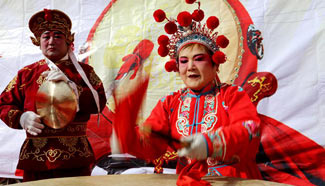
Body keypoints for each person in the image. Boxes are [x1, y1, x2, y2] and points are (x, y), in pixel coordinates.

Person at [112, 0, 262, 183]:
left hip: (234, 180)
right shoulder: (170, 103)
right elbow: (153, 144)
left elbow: (249, 129)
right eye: (183, 61)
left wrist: (211, 143)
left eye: (198, 59)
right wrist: (127, 137)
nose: (190, 67)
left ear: (215, 65)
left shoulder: (231, 95)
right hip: (189, 180)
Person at [0, 9, 107, 181]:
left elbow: (99, 103)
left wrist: (73, 88)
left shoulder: (84, 72)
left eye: (57, 36)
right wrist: (21, 118)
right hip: (36, 157)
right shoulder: (26, 74)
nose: (51, 41)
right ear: (38, 41)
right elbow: (3, 104)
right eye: (46, 36)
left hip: (75, 157)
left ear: (68, 40)